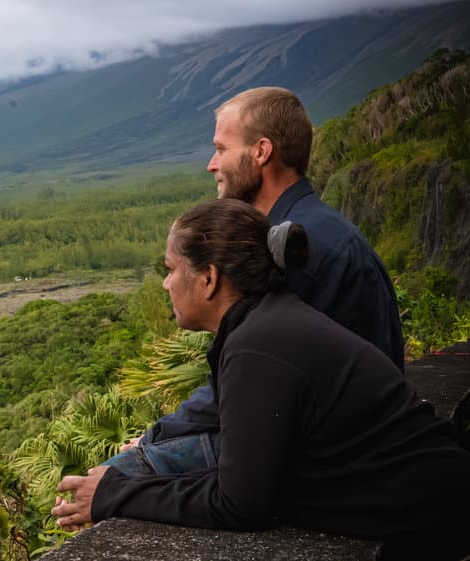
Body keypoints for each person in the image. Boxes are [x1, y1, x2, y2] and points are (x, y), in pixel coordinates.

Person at [52, 199, 470, 560]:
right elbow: (249, 478)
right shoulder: (271, 324)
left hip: (449, 533)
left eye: (169, 268)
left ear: (208, 279)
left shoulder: (257, 346)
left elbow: (240, 504)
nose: (165, 283)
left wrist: (116, 494)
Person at [119, 86, 404, 464]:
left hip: (341, 458)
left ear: (261, 152)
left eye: (221, 149)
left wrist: (152, 440)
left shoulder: (300, 252)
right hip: (356, 441)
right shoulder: (312, 229)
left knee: (123, 475)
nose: (211, 164)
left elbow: (249, 375)